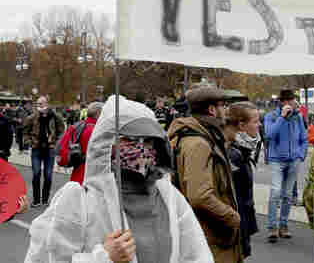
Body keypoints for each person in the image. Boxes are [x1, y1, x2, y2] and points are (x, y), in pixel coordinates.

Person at [25, 96, 214, 263]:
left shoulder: (170, 199)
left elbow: (197, 256)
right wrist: (104, 257)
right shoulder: (79, 202)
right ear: (107, 144)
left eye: (148, 141)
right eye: (130, 140)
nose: (141, 149)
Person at [168, 86, 243, 262]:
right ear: (212, 110)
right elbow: (199, 196)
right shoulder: (198, 143)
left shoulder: (195, 135)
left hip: (203, 231)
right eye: (223, 105)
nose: (226, 110)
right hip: (209, 235)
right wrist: (232, 217)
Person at [263, 89, 308, 243]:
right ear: (284, 102)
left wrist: (301, 155)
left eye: (294, 100)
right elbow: (269, 135)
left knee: (288, 195)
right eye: (292, 100)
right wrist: (282, 118)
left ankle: (283, 225)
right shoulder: (271, 116)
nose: (295, 103)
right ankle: (272, 227)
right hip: (277, 159)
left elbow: (304, 138)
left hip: (293, 160)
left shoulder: (298, 117)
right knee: (275, 192)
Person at [225, 102, 261, 259]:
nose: (259, 125)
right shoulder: (233, 154)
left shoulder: (240, 150)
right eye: (255, 121)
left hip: (241, 222)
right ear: (241, 125)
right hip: (235, 226)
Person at [23, 96, 65, 207]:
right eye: (38, 104)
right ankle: (36, 200)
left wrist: (56, 143)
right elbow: (25, 132)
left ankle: (45, 199)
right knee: (36, 173)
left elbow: (62, 130)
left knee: (48, 175)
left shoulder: (55, 117)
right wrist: (29, 142)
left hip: (50, 149)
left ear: (47, 104)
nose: (39, 106)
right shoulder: (32, 117)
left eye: (41, 103)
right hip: (36, 149)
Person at [60, 101, 101, 184]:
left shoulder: (77, 126)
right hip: (92, 174)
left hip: (77, 171)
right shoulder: (97, 131)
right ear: (98, 114)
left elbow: (63, 146)